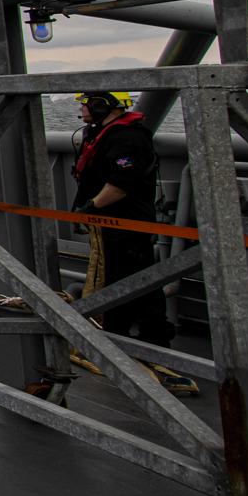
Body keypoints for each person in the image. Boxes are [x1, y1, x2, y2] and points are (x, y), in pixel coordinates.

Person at [72, 89, 179, 364]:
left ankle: (155, 339)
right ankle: (113, 332)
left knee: (138, 279)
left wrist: (91, 206)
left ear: (102, 105)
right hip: (110, 224)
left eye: (86, 104)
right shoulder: (104, 133)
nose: (82, 109)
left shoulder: (125, 138)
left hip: (126, 223)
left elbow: (122, 183)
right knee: (113, 278)